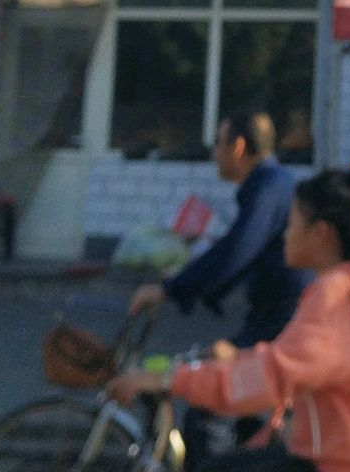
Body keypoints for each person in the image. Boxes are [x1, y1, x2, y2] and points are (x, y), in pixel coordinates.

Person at [109, 167, 350, 472]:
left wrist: (167, 379)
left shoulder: (335, 295)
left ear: (321, 233)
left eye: (292, 224)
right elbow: (295, 367)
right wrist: (239, 358)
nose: (285, 235)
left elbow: (268, 379)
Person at [130, 112, 310, 447]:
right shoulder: (274, 183)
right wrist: (190, 286)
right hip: (274, 318)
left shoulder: (267, 188)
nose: (214, 154)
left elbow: (236, 250)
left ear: (238, 147)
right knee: (246, 423)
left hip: (279, 323)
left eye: (218, 144)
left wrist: (169, 289)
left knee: (211, 411)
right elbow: (244, 254)